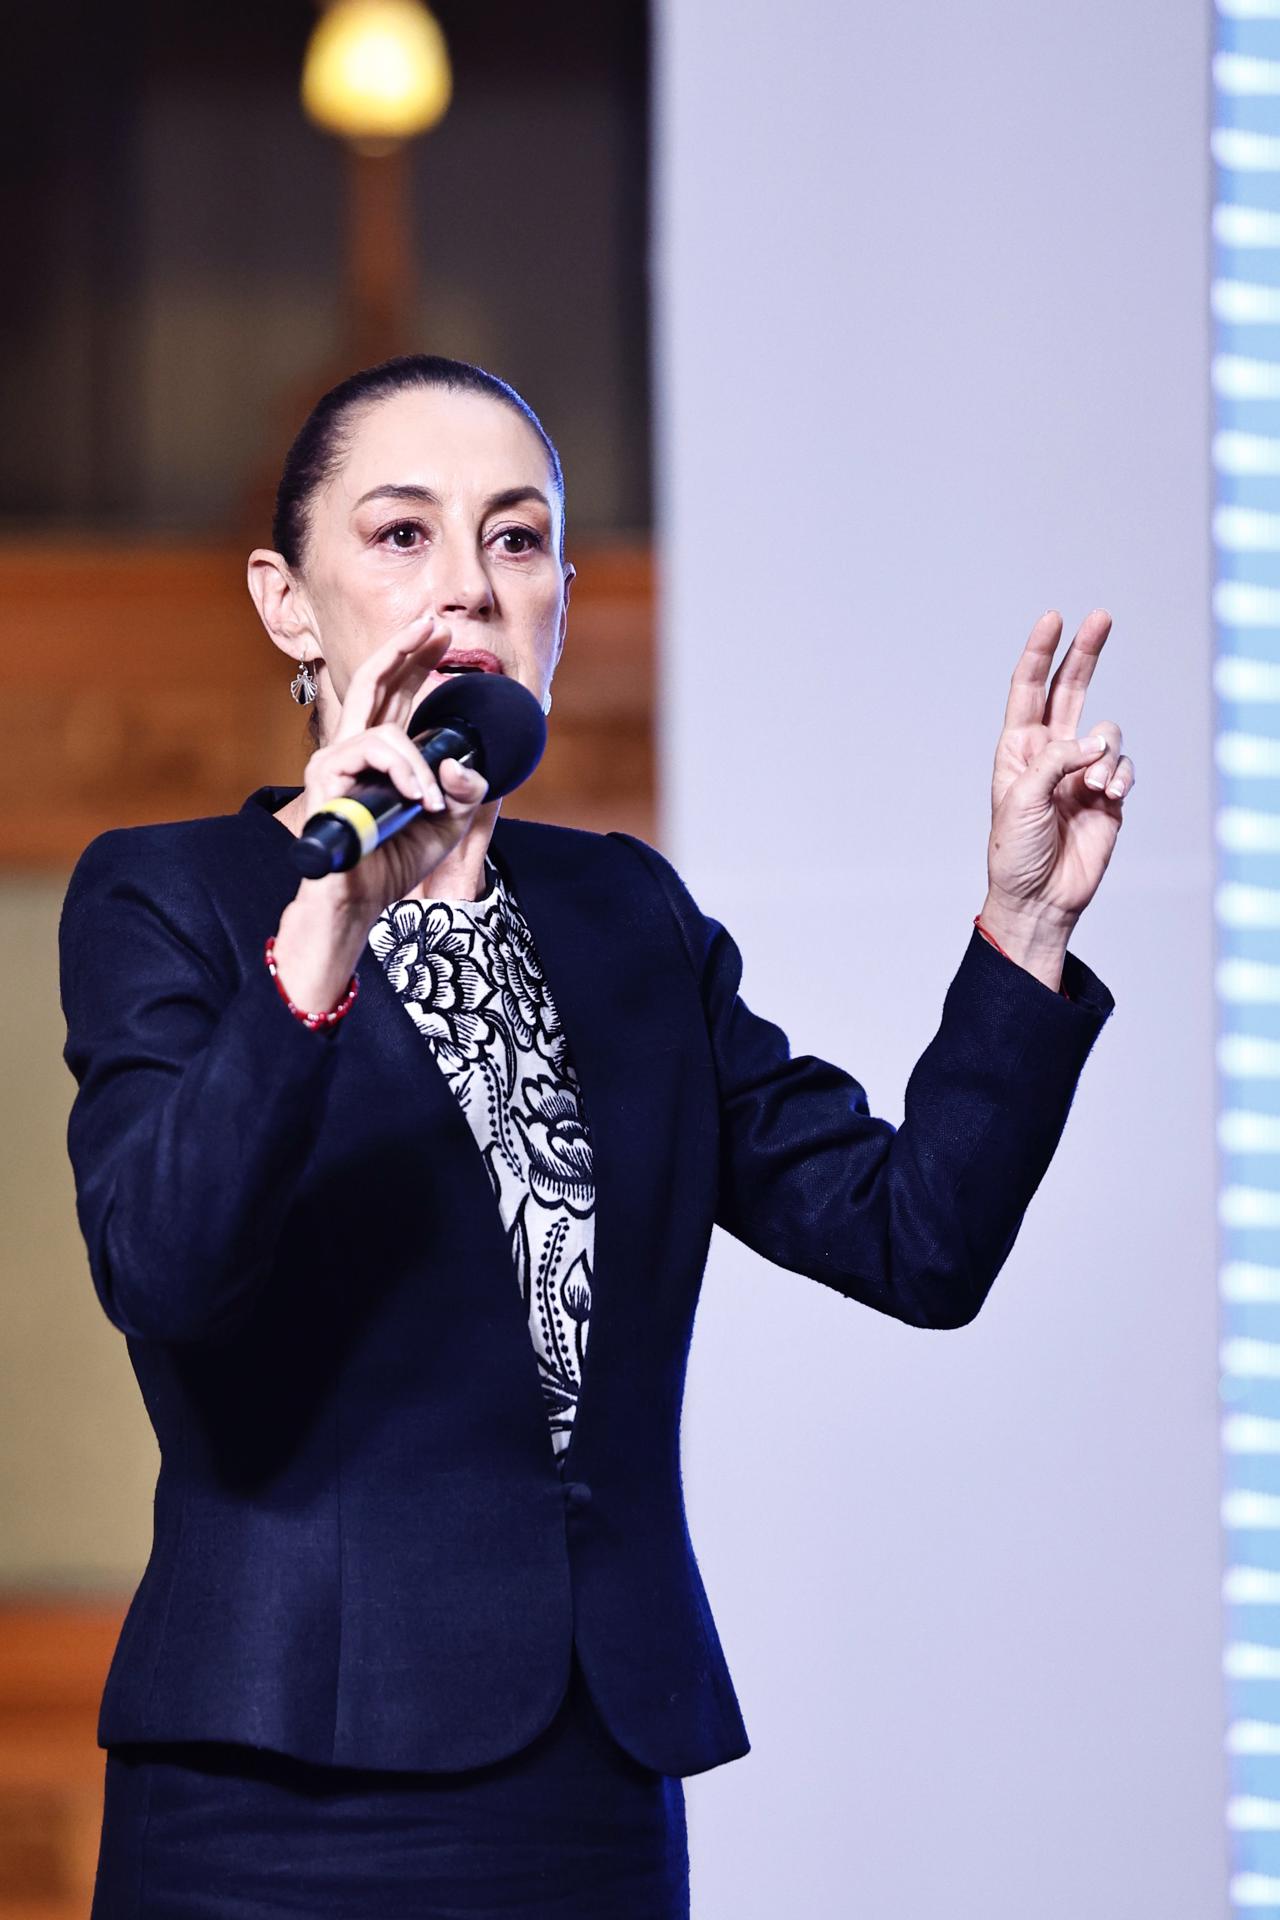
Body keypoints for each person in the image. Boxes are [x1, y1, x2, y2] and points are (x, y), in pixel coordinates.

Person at [59, 353, 1130, 1920]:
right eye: (403, 535)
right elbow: (164, 1264)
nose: (471, 591)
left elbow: (918, 1239)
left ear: (561, 592)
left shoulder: (625, 914)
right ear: (290, 603)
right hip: (274, 1790)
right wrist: (332, 920)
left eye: (516, 538)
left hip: (589, 1785)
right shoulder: (173, 896)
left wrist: (1024, 921)